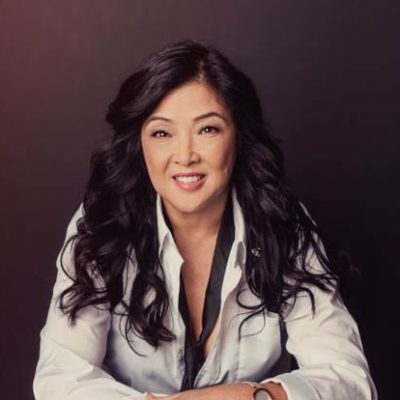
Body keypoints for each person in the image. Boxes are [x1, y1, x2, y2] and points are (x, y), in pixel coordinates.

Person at [33, 40, 377, 400]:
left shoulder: (281, 223)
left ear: (238, 137)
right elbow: (59, 380)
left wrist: (255, 397)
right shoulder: (101, 224)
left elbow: (350, 379)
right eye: (162, 133)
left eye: (207, 129)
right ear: (140, 144)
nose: (184, 156)